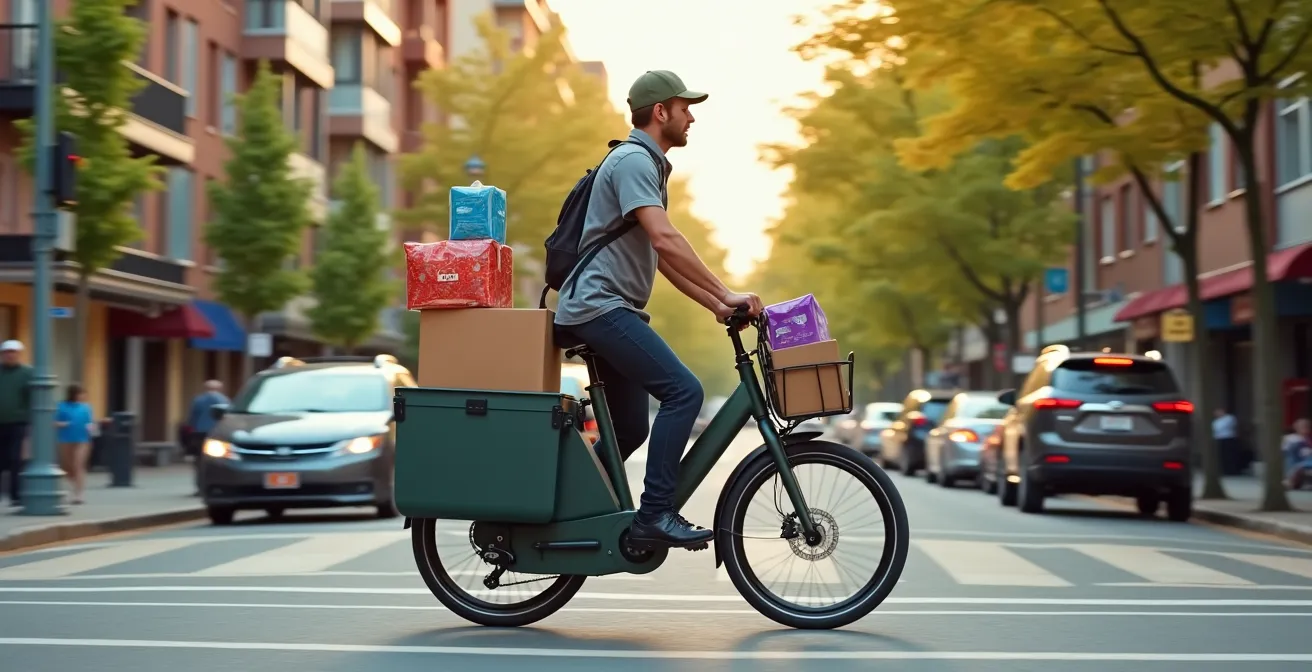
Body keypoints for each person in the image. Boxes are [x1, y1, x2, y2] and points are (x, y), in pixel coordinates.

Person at [553, 70, 764, 549]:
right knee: (684, 392)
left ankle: (568, 509)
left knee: (629, 428)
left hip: (607, 306)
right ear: (660, 112)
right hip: (597, 305)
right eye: (685, 108)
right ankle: (656, 515)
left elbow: (660, 258)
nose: (691, 117)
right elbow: (667, 239)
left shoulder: (648, 166)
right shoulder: (632, 161)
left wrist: (715, 303)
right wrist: (727, 290)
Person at [0, 339, 33, 507]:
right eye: (7, 352)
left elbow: (35, 396)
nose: (10, 355)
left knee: (15, 460)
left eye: (13, 352)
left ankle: (15, 495)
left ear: (19, 354)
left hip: (18, 423)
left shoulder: (28, 373)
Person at [186, 380, 229, 494]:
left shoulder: (198, 400)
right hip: (217, 434)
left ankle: (200, 487)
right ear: (220, 389)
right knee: (218, 460)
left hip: (199, 433)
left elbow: (192, 418)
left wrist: (192, 430)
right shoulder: (223, 400)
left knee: (200, 460)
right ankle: (217, 486)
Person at [54, 384, 95, 504]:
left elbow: (90, 422)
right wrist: (62, 424)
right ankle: (75, 483)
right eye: (80, 393)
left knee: (78, 465)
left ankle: (79, 494)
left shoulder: (86, 407)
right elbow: (53, 422)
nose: (83, 396)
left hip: (83, 439)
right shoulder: (61, 406)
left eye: (84, 393)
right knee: (67, 467)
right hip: (65, 439)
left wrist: (92, 428)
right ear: (73, 394)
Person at [1283, 418, 1311, 490]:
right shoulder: (1290, 438)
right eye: (1302, 426)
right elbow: (1285, 451)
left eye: (1307, 426)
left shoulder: (1309, 439)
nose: (1305, 428)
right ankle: (1291, 481)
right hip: (1295, 461)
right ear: (1296, 427)